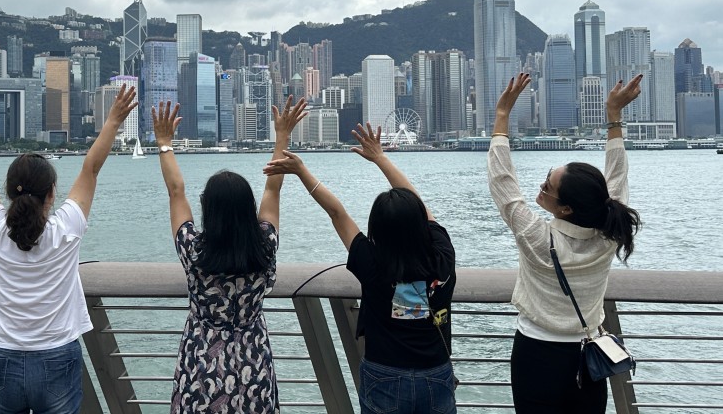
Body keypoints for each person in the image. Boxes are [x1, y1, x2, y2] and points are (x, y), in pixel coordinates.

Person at [0, 84, 138, 414]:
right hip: (56, 355)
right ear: (52, 193)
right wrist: (113, 121)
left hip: (2, 353)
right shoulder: (66, 230)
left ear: (9, 193)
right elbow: (90, 167)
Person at [264, 123, 457, 414]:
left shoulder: (371, 262)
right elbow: (417, 203)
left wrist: (302, 172)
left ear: (377, 229)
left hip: (384, 373)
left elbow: (336, 212)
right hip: (436, 372)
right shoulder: (443, 256)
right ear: (420, 224)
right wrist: (381, 158)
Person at [489, 73, 643, 413]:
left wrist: (502, 117)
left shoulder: (537, 237)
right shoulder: (608, 231)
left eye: (547, 187)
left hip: (535, 354)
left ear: (566, 208)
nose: (540, 187)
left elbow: (503, 184)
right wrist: (614, 117)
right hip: (588, 357)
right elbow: (617, 177)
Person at [151, 96, 307, 414]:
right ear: (248, 210)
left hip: (201, 358)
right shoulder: (265, 245)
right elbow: (273, 190)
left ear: (208, 210)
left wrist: (165, 143)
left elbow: (176, 191)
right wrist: (282, 138)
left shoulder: (193, 250)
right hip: (254, 358)